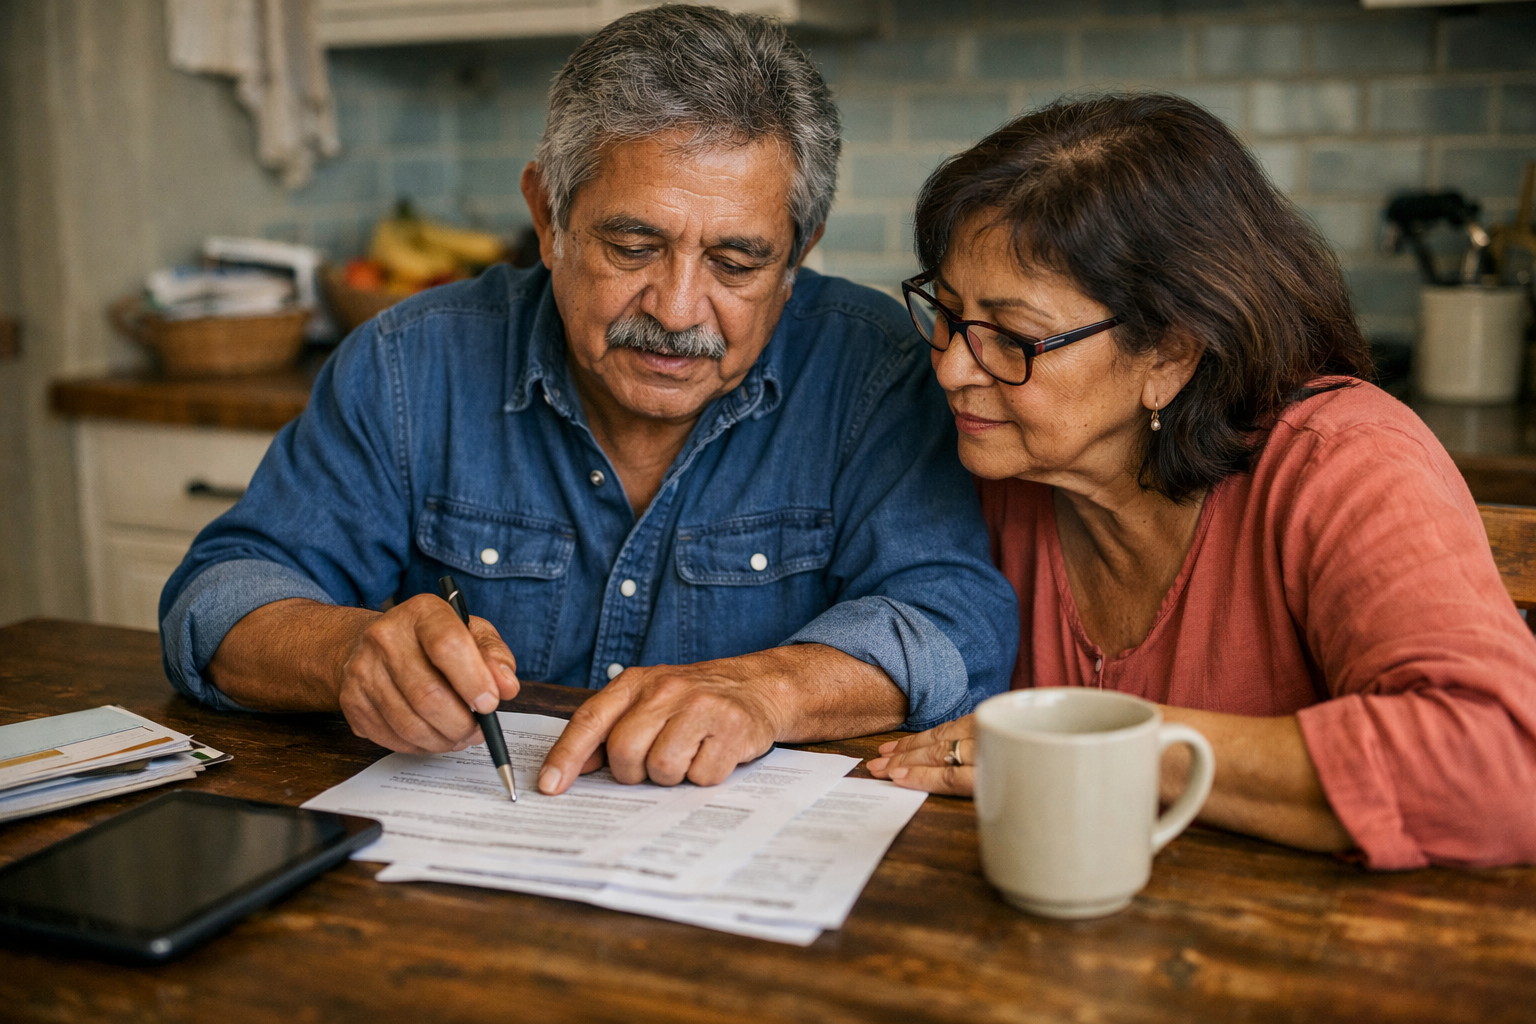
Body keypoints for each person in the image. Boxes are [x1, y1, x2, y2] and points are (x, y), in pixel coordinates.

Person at [159, 6, 1017, 796]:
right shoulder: (408, 362)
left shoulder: (874, 371)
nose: (678, 311)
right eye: (634, 245)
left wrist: (766, 689)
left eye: (737, 263)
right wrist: (345, 652)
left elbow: (956, 621)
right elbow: (217, 600)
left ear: (799, 253)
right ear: (548, 215)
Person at [867, 94, 1536, 869]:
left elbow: (1502, 766)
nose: (950, 367)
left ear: (1171, 356)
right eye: (945, 312)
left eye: (1013, 337)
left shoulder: (1343, 459)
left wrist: (1113, 749)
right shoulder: (992, 464)